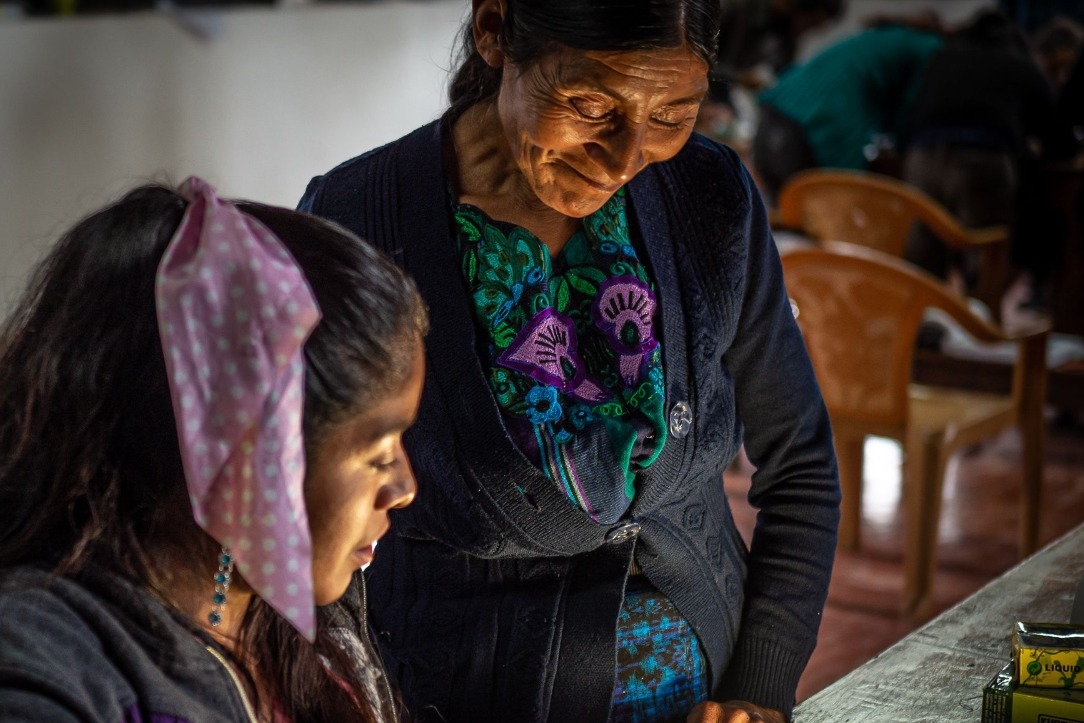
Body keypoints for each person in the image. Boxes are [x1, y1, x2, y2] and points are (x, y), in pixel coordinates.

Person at [300, 1, 841, 722]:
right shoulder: (357, 219)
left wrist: (759, 689)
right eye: (590, 106)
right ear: (494, 28)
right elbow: (309, 511)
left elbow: (800, 461)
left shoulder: (708, 197)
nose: (624, 159)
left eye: (671, 115)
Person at [0, 177, 429, 723]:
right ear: (245, 450)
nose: (404, 488)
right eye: (378, 452)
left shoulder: (298, 634)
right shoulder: (43, 669)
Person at [901, 10, 1076, 304]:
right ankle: (977, 328)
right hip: (980, 162)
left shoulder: (944, 58)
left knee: (923, 257)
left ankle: (917, 325)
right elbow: (1058, 139)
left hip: (921, 159)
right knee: (984, 262)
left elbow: (908, 111)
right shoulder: (1020, 66)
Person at [752, 21, 943, 202]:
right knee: (838, 205)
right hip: (818, 124)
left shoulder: (890, 37)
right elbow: (909, 109)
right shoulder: (931, 48)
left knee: (779, 212)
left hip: (776, 112)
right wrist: (903, 151)